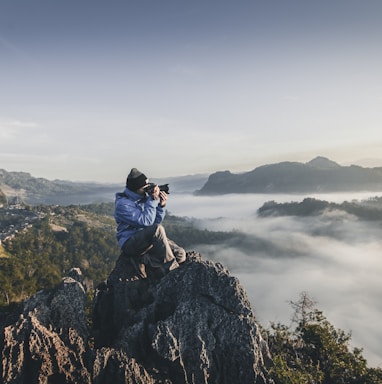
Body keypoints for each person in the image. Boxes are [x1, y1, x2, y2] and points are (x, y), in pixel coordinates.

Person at [114, 168, 186, 278]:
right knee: (158, 229)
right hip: (130, 243)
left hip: (146, 240)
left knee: (180, 254)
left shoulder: (143, 199)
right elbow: (146, 222)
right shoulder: (123, 204)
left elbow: (154, 222)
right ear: (136, 188)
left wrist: (161, 206)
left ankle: (149, 262)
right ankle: (172, 273)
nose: (147, 190)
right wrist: (152, 201)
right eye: (145, 188)